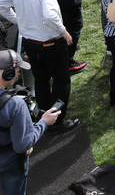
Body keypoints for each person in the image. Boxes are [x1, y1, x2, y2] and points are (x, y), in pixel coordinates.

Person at [0, 0, 79, 133]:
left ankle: (43, 115)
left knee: (41, 80)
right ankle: (56, 122)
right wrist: (65, 32)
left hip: (31, 44)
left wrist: (19, 21)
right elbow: (50, 16)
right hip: (51, 44)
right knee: (61, 82)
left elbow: (1, 4)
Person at [0, 50, 62, 195]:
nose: (18, 74)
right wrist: (44, 122)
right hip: (9, 164)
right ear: (8, 73)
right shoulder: (15, 105)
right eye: (17, 71)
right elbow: (22, 145)